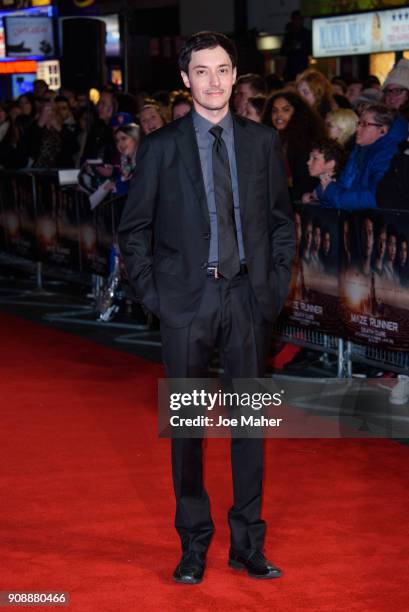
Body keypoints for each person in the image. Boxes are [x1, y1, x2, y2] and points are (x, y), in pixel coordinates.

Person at [118, 30, 295, 585]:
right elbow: (134, 231)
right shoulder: (162, 146)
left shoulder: (263, 143)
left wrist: (271, 288)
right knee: (189, 428)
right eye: (202, 71)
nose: (214, 81)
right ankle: (193, 542)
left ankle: (248, 543)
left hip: (246, 298)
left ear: (235, 75)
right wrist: (156, 297)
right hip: (185, 302)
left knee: (249, 427)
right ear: (185, 78)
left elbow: (282, 225)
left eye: (222, 70)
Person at [315, 104, 408, 210]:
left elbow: (375, 197)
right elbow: (343, 183)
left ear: (382, 130)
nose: (358, 128)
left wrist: (330, 191)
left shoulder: (388, 155)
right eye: (358, 123)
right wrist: (321, 192)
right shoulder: (359, 150)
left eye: (364, 124)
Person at [262, 90, 325, 199]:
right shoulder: (269, 139)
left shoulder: (307, 141)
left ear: (297, 112)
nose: (279, 115)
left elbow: (304, 181)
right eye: (274, 111)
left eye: (286, 110)